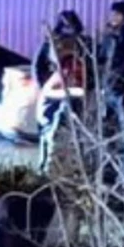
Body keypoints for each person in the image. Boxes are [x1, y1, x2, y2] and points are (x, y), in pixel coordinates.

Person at [35, 10, 89, 151]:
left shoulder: (83, 42)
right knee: (48, 127)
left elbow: (91, 66)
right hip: (56, 87)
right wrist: (42, 85)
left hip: (76, 89)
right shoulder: (52, 41)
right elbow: (39, 65)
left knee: (73, 127)